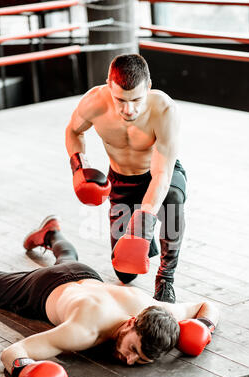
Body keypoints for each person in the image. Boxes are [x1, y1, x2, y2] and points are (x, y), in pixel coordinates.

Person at [0, 216, 219, 377]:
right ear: (131, 322)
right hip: (41, 288)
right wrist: (24, 371)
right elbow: (13, 352)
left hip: (83, 271)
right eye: (134, 349)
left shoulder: (153, 308)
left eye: (139, 360)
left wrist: (204, 326)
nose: (128, 360)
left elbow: (206, 305)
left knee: (67, 256)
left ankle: (52, 233)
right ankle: (51, 234)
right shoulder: (84, 331)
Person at [65, 53, 187, 304]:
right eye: (120, 99)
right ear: (109, 85)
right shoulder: (93, 103)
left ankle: (166, 278)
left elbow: (162, 175)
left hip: (159, 175)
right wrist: (79, 165)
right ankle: (142, 237)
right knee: (125, 273)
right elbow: (73, 130)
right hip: (122, 182)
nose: (128, 109)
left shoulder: (164, 110)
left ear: (149, 87)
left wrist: (145, 218)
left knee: (173, 199)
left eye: (136, 100)